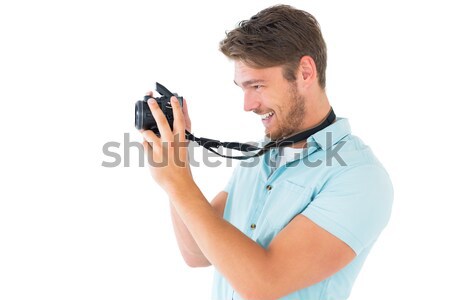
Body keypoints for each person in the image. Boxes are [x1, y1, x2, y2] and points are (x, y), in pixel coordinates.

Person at [140, 4, 393, 300]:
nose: (247, 105)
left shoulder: (359, 176)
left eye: (257, 85)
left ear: (305, 72)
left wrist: (178, 184)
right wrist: (176, 164)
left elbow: (264, 282)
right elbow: (197, 253)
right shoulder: (260, 157)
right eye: (242, 88)